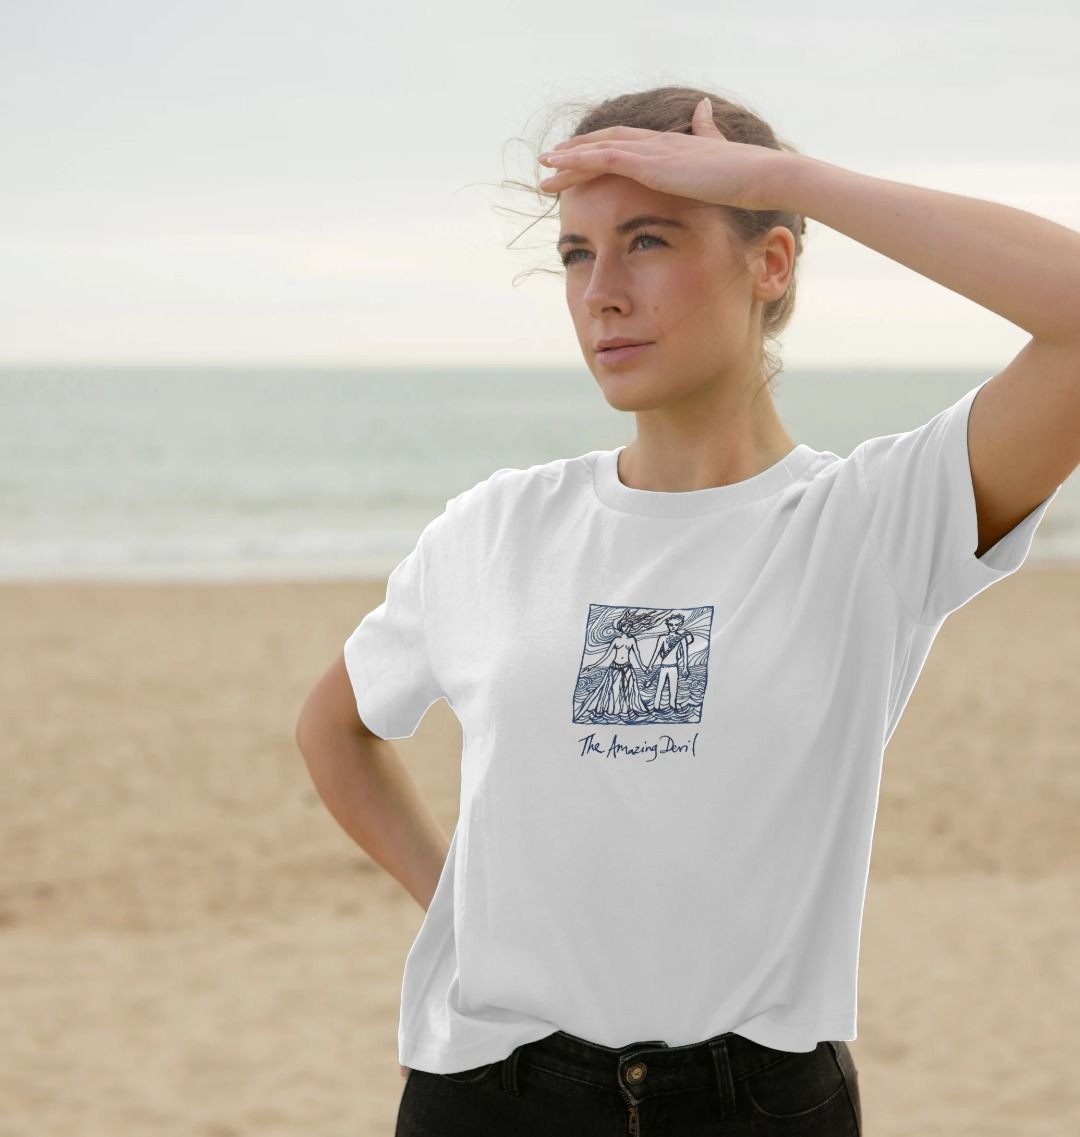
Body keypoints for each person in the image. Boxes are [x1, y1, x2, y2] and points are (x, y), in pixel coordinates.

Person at [294, 85, 1078, 1136]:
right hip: (490, 1094)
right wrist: (454, 904)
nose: (600, 294)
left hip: (755, 1104)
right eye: (577, 253)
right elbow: (335, 727)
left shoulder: (870, 521)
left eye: (648, 240)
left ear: (772, 264)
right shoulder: (496, 528)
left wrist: (782, 182)